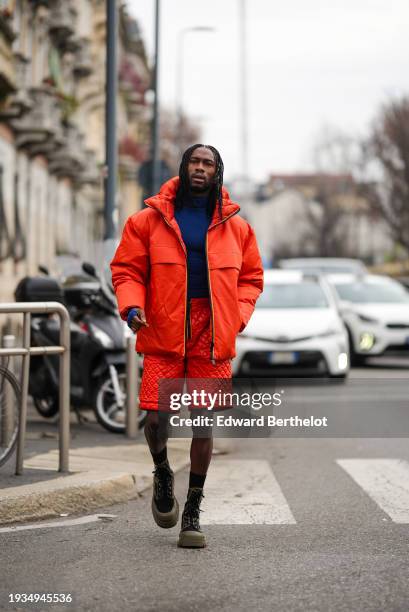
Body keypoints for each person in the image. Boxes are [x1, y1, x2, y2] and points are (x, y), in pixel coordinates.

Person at [110, 144, 263, 548]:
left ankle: (192, 509)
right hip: (162, 327)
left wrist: (237, 316)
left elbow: (251, 279)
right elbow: (127, 270)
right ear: (183, 167)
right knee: (158, 420)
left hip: (211, 334)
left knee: (202, 422)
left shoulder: (237, 228)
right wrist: (132, 308)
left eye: (207, 163)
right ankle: (162, 471)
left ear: (217, 172)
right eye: (194, 162)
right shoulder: (147, 220)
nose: (200, 168)